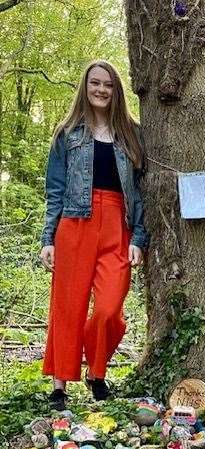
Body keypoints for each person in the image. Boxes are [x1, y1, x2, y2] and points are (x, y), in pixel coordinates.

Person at [40, 60, 148, 410]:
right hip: (74, 225)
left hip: (118, 226)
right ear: (85, 89)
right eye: (95, 84)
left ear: (116, 90)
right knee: (67, 307)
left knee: (108, 309)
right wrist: (48, 238)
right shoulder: (67, 133)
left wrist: (138, 237)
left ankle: (96, 371)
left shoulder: (132, 134)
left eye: (108, 85)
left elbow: (143, 191)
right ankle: (60, 385)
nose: (101, 90)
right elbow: (54, 190)